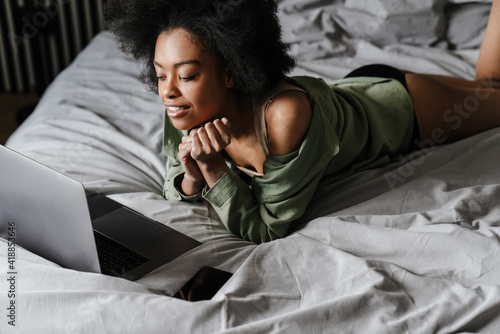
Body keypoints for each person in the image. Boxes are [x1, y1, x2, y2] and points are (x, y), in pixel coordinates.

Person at [104, 0, 500, 244]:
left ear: (229, 72)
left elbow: (267, 230)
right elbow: (178, 190)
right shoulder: (185, 107)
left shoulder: (284, 116)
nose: (168, 91)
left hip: (404, 110)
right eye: (160, 75)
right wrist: (194, 175)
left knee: (493, 89)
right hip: (354, 90)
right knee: (487, 84)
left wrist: (213, 168)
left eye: (186, 75)